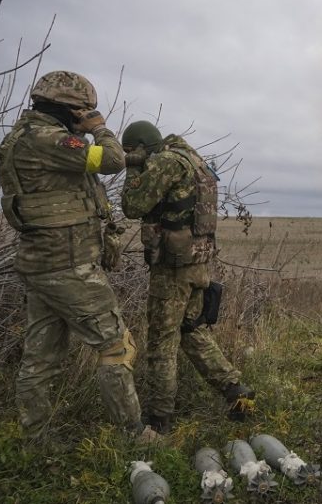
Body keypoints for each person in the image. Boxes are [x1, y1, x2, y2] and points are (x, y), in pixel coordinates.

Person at [0, 70, 154, 441]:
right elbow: (111, 159)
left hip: (41, 264)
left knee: (41, 356)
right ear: (69, 110)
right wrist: (99, 127)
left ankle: (35, 438)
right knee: (116, 345)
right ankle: (134, 434)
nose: (86, 119)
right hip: (69, 267)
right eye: (83, 112)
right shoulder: (50, 139)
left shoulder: (24, 137)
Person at [119, 120, 254, 433]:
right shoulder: (195, 161)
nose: (131, 156)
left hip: (173, 267)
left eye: (131, 151)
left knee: (161, 343)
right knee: (190, 330)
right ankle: (235, 390)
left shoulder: (166, 162)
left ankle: (159, 421)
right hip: (198, 262)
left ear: (141, 147)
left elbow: (132, 205)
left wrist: (133, 168)